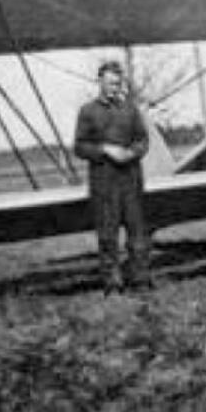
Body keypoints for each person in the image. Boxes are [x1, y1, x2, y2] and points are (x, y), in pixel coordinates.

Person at [74, 60, 153, 294]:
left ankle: (140, 279)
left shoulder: (130, 109)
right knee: (108, 236)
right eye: (109, 83)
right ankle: (113, 283)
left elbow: (143, 140)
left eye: (117, 83)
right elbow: (79, 147)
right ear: (99, 82)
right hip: (104, 182)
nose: (114, 87)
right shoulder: (87, 111)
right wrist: (106, 150)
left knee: (137, 234)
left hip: (131, 179)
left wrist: (131, 152)